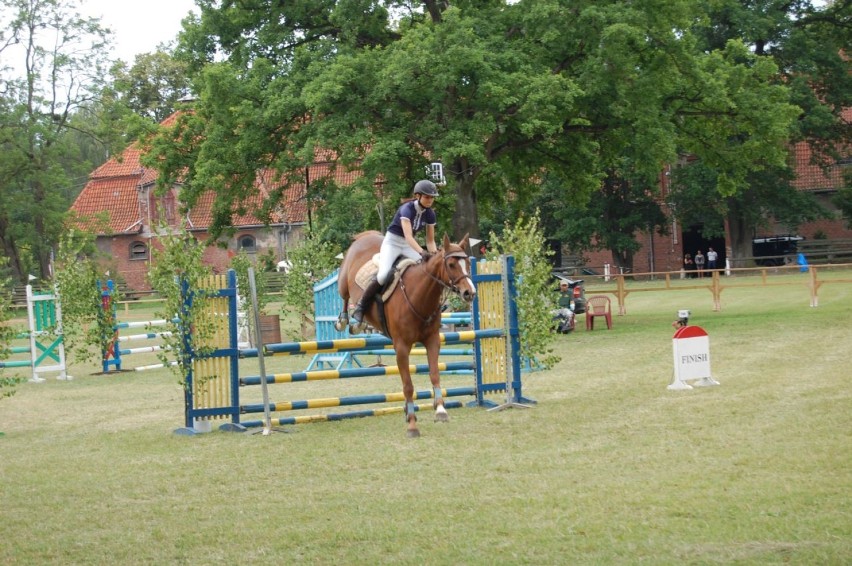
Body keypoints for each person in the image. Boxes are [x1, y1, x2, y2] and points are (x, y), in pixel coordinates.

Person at [351, 179, 439, 328]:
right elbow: (409, 236)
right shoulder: (407, 209)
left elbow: (430, 241)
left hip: (408, 246)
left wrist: (434, 255)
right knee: (383, 274)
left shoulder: (430, 214)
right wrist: (422, 252)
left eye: (432, 197)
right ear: (417, 196)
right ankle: (361, 307)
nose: (430, 200)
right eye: (427, 197)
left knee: (430, 271)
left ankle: (431, 309)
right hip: (392, 243)